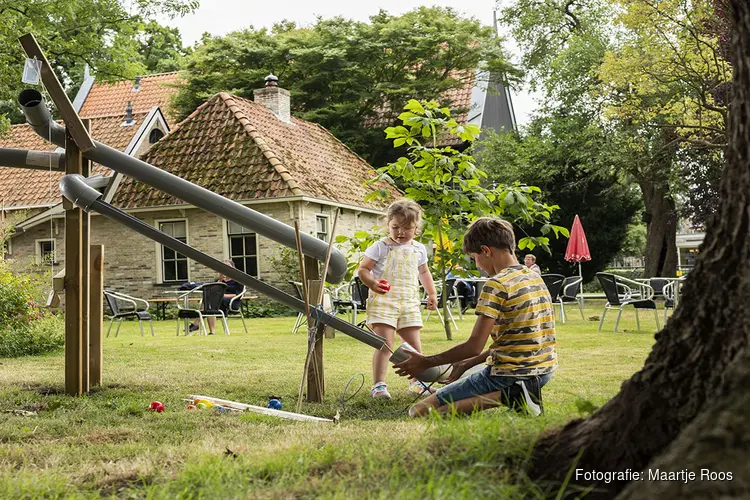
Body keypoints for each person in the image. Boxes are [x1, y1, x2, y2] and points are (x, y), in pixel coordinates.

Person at [393, 217, 556, 417]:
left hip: (509, 375)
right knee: (438, 405)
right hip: (544, 372)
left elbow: (473, 346)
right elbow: (517, 340)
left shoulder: (497, 284)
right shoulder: (534, 277)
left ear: (486, 251)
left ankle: (510, 396)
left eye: (474, 257)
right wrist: (466, 364)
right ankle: (520, 392)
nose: (477, 264)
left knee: (417, 412)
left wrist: (426, 362)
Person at [358, 199, 438, 399]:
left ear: (416, 228)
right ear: (388, 224)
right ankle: (379, 385)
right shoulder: (381, 246)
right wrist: (372, 283)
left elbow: (424, 272)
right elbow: (363, 269)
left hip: (409, 301)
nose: (401, 232)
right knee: (385, 343)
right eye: (395, 227)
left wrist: (431, 293)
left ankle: (417, 383)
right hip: (384, 301)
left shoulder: (419, 249)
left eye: (407, 228)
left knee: (414, 346)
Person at [189, 259, 244, 335]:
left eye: (227, 267)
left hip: (232, 302)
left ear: (233, 268)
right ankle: (210, 331)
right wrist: (220, 280)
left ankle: (196, 323)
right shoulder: (219, 280)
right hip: (217, 301)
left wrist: (222, 295)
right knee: (209, 300)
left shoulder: (238, 280)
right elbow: (213, 291)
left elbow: (239, 295)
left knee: (209, 302)